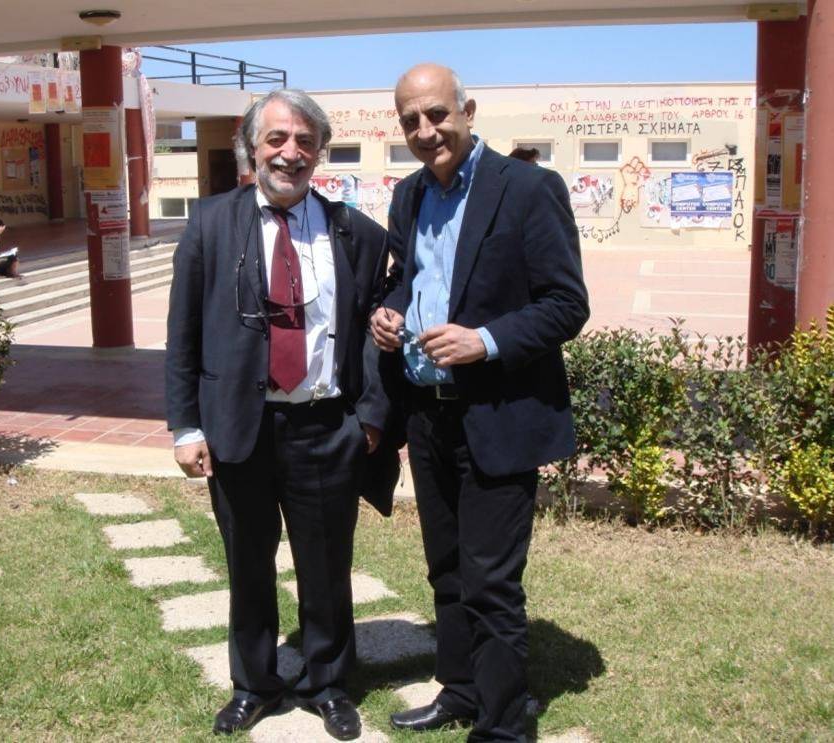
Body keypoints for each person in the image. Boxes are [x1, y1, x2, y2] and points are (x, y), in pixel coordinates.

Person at [371, 64, 590, 742]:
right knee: (446, 568)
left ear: (467, 111)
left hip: (499, 414)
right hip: (427, 412)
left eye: (437, 114)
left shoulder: (528, 189)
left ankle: (502, 725)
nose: (425, 130)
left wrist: (484, 341)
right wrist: (389, 311)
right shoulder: (408, 195)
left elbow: (566, 304)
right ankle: (461, 689)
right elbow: (407, 278)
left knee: (491, 580)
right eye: (411, 120)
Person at [165, 89, 392, 740]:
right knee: (248, 565)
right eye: (276, 139)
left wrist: (370, 417)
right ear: (252, 147)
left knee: (327, 567)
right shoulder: (210, 223)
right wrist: (186, 425)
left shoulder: (357, 233)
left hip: (325, 427)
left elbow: (375, 331)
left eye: (304, 142)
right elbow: (183, 333)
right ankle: (254, 683)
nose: (290, 153)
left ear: (320, 153)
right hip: (241, 427)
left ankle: (327, 682)